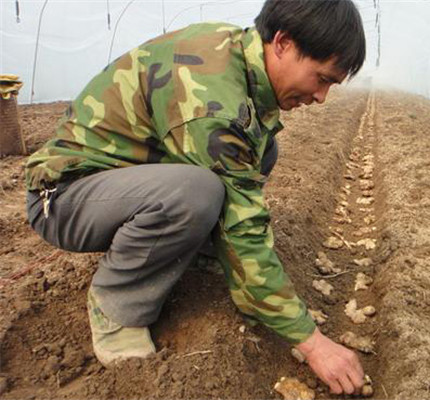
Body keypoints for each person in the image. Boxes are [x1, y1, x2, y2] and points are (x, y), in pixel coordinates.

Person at [24, 0, 366, 395]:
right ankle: (118, 306)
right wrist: (311, 341)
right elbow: (244, 230)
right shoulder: (212, 100)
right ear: (283, 43)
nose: (321, 96)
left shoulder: (236, 52)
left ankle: (197, 250)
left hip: (118, 183)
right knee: (198, 193)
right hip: (64, 197)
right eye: (321, 79)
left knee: (259, 149)